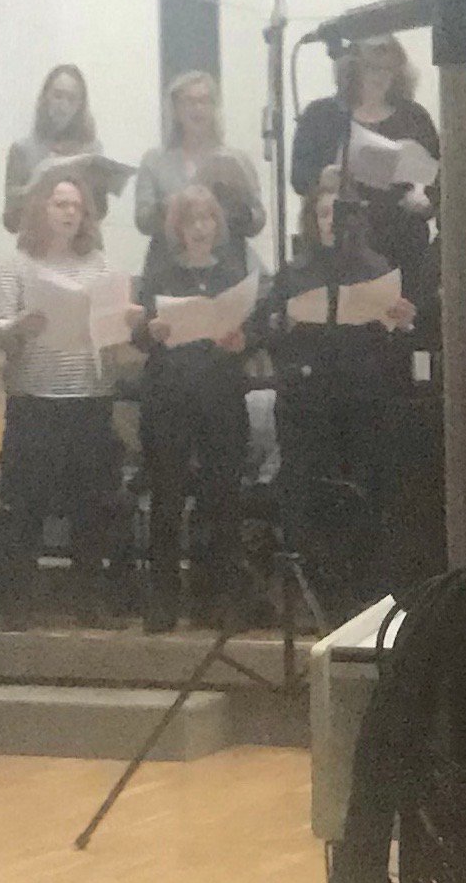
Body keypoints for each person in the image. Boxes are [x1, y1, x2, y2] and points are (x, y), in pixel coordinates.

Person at [266, 179, 428, 620]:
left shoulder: (377, 268)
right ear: (310, 221)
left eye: (338, 215)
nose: (330, 224)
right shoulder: (294, 272)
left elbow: (396, 342)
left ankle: (363, 587)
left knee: (363, 489)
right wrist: (281, 323)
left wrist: (403, 320)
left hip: (363, 396)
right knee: (309, 489)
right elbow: (270, 335)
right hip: (308, 399)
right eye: (322, 214)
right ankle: (315, 588)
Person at [0, 171, 129, 621]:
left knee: (91, 504)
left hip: (89, 397)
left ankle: (87, 598)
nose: (69, 212)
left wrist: (121, 322)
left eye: (76, 205)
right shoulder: (14, 262)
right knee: (24, 503)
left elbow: (113, 333)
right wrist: (20, 328)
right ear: (40, 209)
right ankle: (16, 601)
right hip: (35, 397)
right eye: (59, 204)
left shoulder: (101, 265)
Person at [126, 176, 259, 632]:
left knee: (222, 498)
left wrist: (242, 338)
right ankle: (162, 599)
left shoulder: (233, 269)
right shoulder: (160, 272)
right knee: (167, 498)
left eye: (206, 218)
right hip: (170, 396)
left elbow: (254, 325)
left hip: (220, 394)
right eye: (190, 221)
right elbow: (140, 334)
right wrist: (152, 331)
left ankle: (219, 597)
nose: (199, 228)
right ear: (176, 228)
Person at [286, 34, 443, 220]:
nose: (381, 76)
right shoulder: (320, 115)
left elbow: (441, 181)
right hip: (338, 233)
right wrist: (322, 178)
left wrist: (424, 200)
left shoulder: (414, 117)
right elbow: (299, 177)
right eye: (372, 68)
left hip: (400, 235)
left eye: (389, 69)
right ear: (352, 69)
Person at [134, 68, 265, 249]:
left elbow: (257, 222)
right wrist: (172, 204)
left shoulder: (237, 160)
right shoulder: (154, 160)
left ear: (214, 108)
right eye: (189, 102)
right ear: (176, 110)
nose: (198, 108)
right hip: (169, 264)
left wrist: (238, 204)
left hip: (226, 263)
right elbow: (143, 222)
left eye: (205, 101)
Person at [0, 63, 121, 233]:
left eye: (72, 99)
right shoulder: (22, 150)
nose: (63, 105)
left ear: (80, 105)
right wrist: (36, 187)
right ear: (45, 97)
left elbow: (100, 213)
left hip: (83, 250)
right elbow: (10, 222)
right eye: (58, 96)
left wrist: (98, 188)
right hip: (37, 251)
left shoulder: (92, 150)